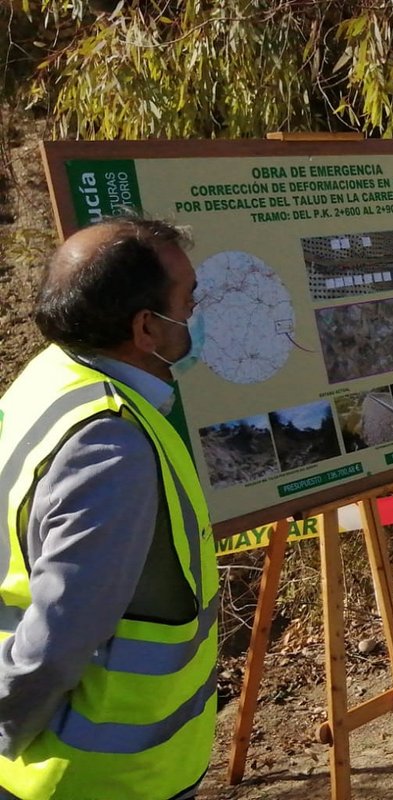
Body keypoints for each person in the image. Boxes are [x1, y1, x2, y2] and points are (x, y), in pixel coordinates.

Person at [0, 218, 218, 798]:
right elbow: (59, 634)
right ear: (146, 326)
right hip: (99, 772)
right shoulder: (109, 444)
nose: (196, 309)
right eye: (189, 297)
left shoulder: (48, 377)